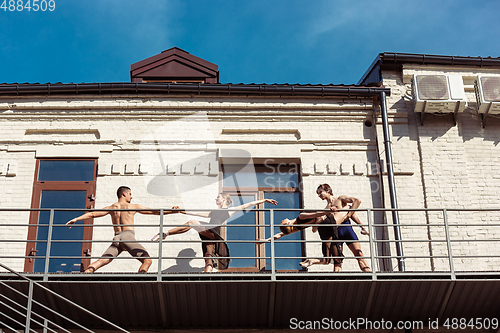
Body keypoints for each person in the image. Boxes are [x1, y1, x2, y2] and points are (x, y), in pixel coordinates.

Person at [152, 193, 278, 273]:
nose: (215, 199)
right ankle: (208, 276)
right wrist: (181, 211)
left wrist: (264, 200)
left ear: (223, 199)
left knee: (192, 222)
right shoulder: (212, 212)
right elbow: (195, 212)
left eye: (218, 197)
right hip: (207, 234)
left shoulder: (229, 211)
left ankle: (165, 234)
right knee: (208, 257)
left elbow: (248, 204)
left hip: (213, 233)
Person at [66, 186, 178, 273]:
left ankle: (88, 272)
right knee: (147, 260)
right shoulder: (132, 206)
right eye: (130, 194)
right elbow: (155, 211)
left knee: (102, 260)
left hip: (117, 238)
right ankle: (141, 280)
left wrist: (76, 219)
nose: (131, 197)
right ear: (124, 194)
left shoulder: (111, 207)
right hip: (127, 236)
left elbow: (92, 214)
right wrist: (172, 211)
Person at [264, 184, 363, 272]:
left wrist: (266, 240)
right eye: (283, 222)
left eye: (320, 192)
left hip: (326, 231)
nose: (283, 220)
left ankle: (311, 261)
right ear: (288, 223)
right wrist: (327, 212)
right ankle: (364, 228)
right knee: (348, 208)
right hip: (328, 225)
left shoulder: (296, 227)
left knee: (329, 260)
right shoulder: (301, 216)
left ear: (328, 191)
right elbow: (317, 214)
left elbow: (281, 234)